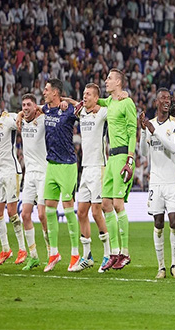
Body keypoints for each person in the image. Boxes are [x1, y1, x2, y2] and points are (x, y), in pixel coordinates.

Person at [95, 69, 138, 271]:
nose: (106, 81)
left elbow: (132, 131)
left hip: (122, 157)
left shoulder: (127, 103)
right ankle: (114, 252)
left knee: (118, 204)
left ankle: (125, 253)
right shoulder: (110, 102)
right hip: (111, 158)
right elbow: (94, 100)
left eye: (110, 78)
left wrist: (130, 159)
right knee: (105, 204)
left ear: (119, 82)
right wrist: (66, 100)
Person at [139, 88, 175, 279]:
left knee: (174, 222)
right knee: (158, 223)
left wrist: (152, 129)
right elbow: (142, 152)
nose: (167, 101)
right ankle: (161, 267)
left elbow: (174, 147)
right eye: (163, 98)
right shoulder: (150, 125)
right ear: (156, 102)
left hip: (171, 182)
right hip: (155, 182)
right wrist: (142, 132)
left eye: (169, 98)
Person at [70, 83, 112, 272]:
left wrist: (101, 104)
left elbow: (113, 105)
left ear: (96, 98)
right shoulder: (82, 113)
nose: (84, 97)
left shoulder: (103, 112)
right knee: (81, 212)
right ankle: (87, 256)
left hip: (98, 167)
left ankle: (108, 255)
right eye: (83, 94)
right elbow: (74, 105)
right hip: (85, 169)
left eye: (88, 94)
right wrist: (66, 102)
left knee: (96, 212)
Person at [41, 79, 81, 272]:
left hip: (67, 166)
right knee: (49, 210)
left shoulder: (68, 110)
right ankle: (54, 253)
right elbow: (31, 109)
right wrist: (21, 114)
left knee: (67, 208)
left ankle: (75, 254)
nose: (44, 92)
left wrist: (69, 101)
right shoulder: (46, 110)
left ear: (56, 93)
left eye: (47, 90)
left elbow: (84, 106)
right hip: (51, 165)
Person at [0, 95, 27, 266]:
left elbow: (22, 114)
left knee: (12, 212)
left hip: (12, 171)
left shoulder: (7, 119)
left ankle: (22, 249)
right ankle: (6, 249)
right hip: (0, 173)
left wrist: (21, 117)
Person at [18, 93, 49, 271]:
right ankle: (34, 257)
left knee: (42, 215)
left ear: (35, 106)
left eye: (29, 104)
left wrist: (41, 109)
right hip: (29, 174)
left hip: (43, 173)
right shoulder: (20, 120)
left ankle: (51, 252)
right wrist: (20, 115)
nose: (25, 108)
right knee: (25, 215)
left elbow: (51, 109)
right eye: (23, 105)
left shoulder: (44, 120)